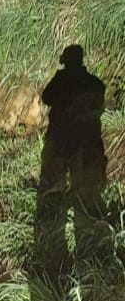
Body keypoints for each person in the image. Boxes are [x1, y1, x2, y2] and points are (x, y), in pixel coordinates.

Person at [34, 44, 107, 277]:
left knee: (52, 187)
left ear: (65, 61)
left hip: (62, 143)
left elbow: (47, 98)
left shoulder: (61, 81)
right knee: (88, 193)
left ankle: (51, 238)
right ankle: (94, 252)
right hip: (89, 146)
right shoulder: (96, 84)